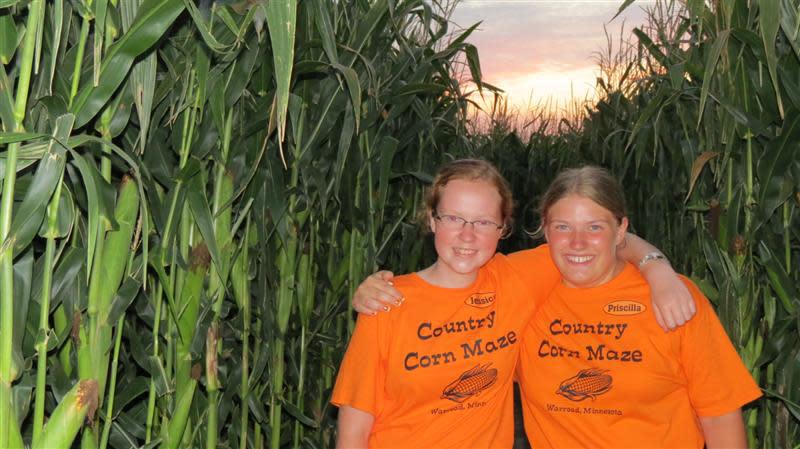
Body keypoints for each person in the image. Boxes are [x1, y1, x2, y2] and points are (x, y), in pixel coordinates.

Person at [333, 159, 696, 448]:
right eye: (454, 218)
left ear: (503, 229)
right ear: (432, 220)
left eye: (483, 222)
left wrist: (658, 269)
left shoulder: (516, 279)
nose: (467, 235)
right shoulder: (387, 301)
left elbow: (602, 237)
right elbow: (354, 428)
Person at [513, 166, 761, 448]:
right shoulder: (522, 297)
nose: (577, 242)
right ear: (545, 230)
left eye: (595, 227)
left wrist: (656, 267)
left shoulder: (672, 297)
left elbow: (720, 416)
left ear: (621, 231)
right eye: (563, 227)